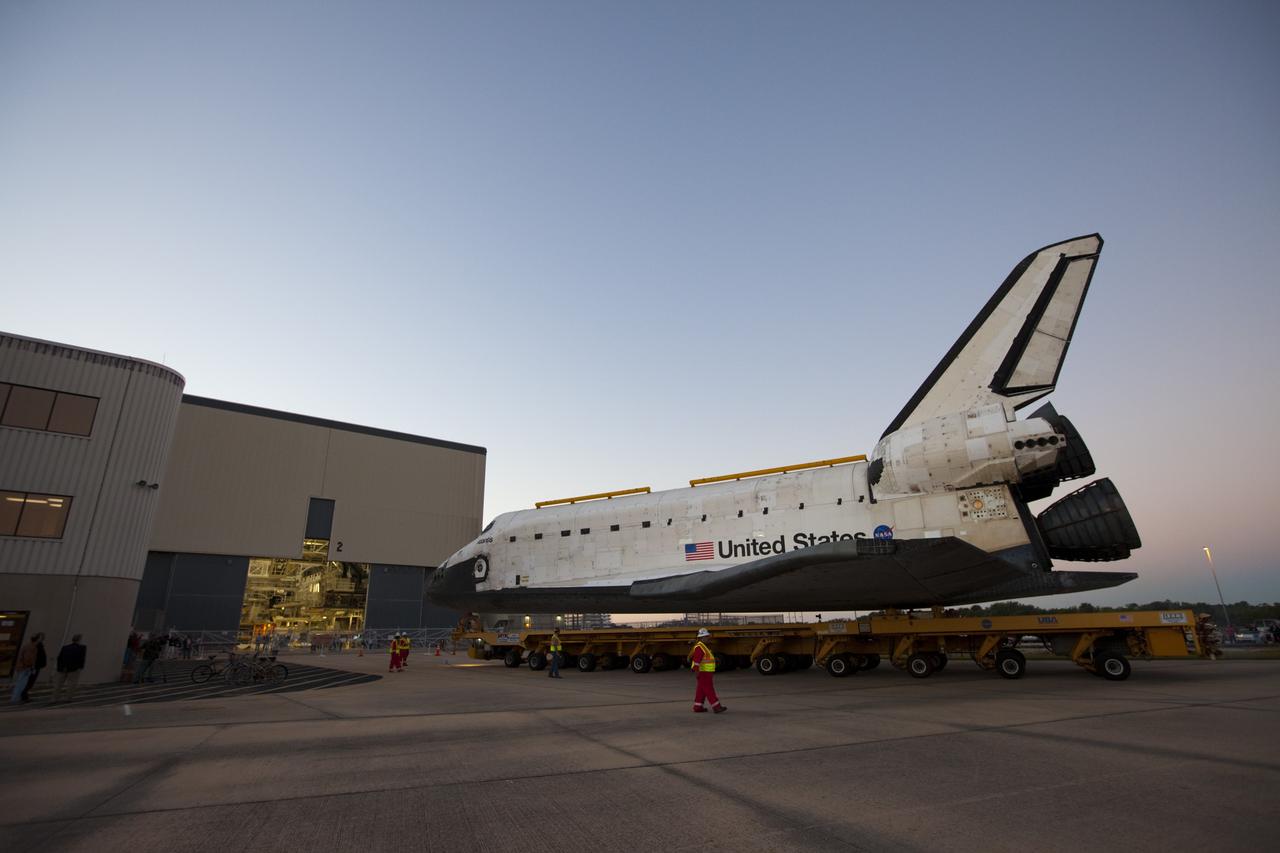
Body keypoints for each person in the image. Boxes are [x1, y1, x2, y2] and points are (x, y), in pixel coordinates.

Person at [689, 628, 726, 714]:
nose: (708, 638)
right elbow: (696, 661)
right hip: (703, 672)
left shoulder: (702, 646)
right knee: (709, 690)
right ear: (702, 637)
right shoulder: (700, 647)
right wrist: (697, 672)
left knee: (701, 690)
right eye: (706, 636)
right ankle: (716, 707)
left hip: (705, 672)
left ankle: (697, 707)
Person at [10, 632, 44, 704]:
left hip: (24, 667)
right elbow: (28, 658)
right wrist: (30, 666)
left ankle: (16, 698)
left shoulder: (28, 646)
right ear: (37, 639)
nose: (41, 640)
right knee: (21, 684)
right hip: (25, 668)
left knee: (21, 683)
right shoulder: (31, 647)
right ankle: (15, 699)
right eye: (40, 639)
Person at [53, 634, 87, 702]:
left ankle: (54, 698)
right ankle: (68, 698)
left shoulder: (65, 647)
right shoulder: (82, 648)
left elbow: (59, 658)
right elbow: (81, 658)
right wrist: (80, 667)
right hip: (74, 668)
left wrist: (59, 667)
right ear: (79, 640)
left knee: (58, 684)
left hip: (62, 668)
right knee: (71, 684)